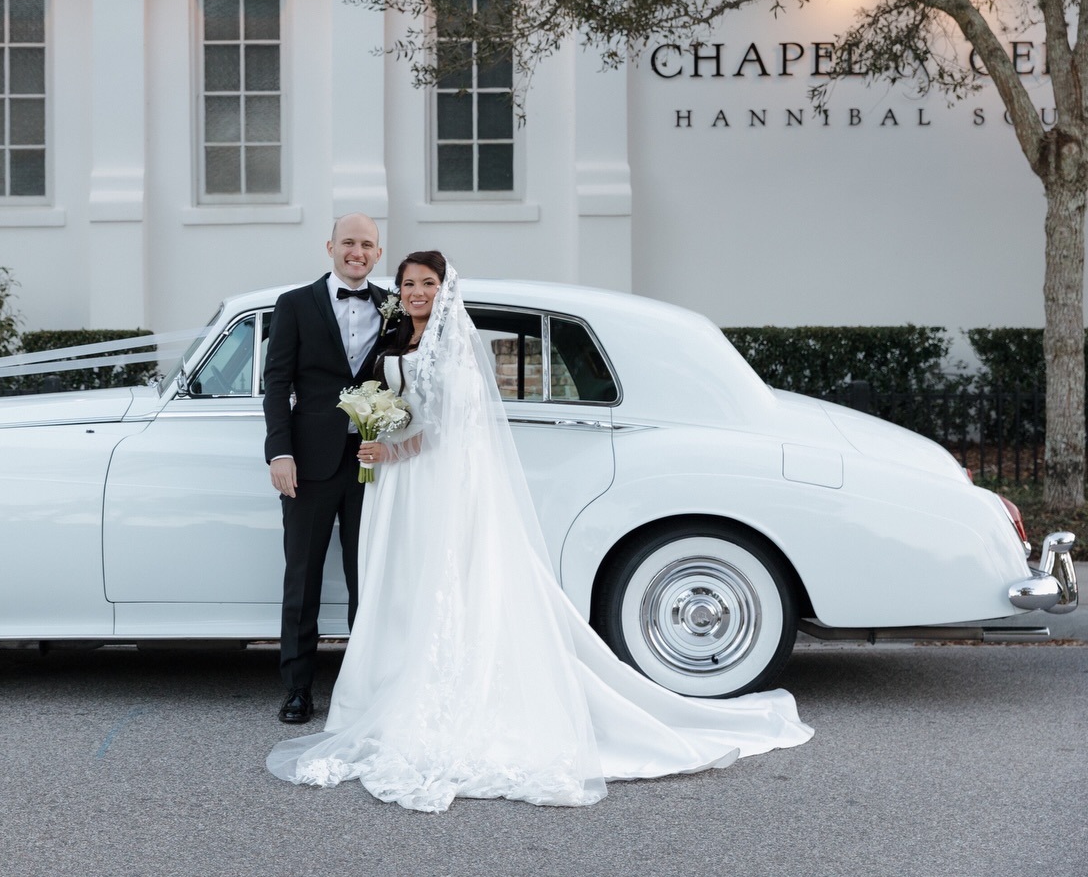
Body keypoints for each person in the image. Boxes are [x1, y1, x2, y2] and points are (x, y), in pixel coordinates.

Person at [267, 251, 813, 812]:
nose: (416, 292)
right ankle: (383, 680)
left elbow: (452, 426)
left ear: (445, 289)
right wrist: (376, 435)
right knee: (398, 587)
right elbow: (379, 398)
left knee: (443, 583)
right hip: (394, 486)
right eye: (408, 284)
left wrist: (390, 447)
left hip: (430, 480)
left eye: (427, 283)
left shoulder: (454, 349)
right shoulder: (395, 336)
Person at [263, 212, 389, 724]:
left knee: (368, 580)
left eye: (367, 245)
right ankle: (297, 689)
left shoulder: (395, 306)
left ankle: (363, 689)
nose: (356, 252)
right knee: (303, 577)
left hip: (373, 464)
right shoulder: (294, 304)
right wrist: (280, 451)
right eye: (348, 243)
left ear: (377, 253)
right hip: (308, 465)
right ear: (330, 246)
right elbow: (276, 384)